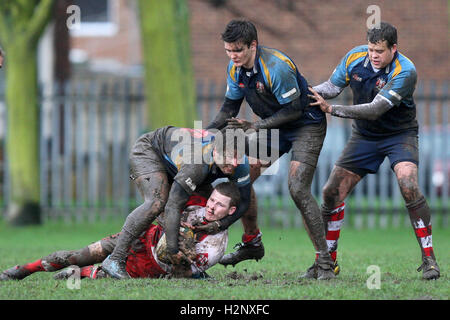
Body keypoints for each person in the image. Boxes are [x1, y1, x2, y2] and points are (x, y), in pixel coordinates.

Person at [308, 22, 440, 280]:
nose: (374, 55)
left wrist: (331, 110)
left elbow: (375, 109)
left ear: (394, 49)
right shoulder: (354, 57)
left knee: (408, 184)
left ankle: (429, 261)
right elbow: (332, 88)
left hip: (399, 135)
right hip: (365, 137)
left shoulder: (406, 71)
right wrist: (304, 92)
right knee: (331, 192)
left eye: (379, 50)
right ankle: (327, 263)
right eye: (371, 50)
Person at [205, 19, 335, 279]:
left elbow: (295, 109)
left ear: (253, 45)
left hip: (305, 126)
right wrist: (204, 135)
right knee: (240, 177)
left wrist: (257, 125)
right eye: (229, 51)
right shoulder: (235, 68)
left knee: (297, 188)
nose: (233, 56)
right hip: (271, 129)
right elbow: (229, 109)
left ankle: (324, 262)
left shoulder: (276, 67)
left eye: (238, 50)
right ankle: (252, 243)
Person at [0, 182, 241, 280]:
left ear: (230, 212)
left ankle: (80, 274)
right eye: (212, 200)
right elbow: (166, 201)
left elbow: (182, 274)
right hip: (138, 238)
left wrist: (177, 252)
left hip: (149, 267)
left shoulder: (215, 248)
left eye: (219, 205)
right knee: (76, 254)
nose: (211, 207)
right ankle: (21, 271)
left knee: (96, 276)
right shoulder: (197, 201)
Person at [101, 126, 251, 279]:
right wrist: (173, 251)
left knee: (207, 205)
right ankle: (115, 259)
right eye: (229, 156)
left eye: (238, 156)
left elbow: (245, 201)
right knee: (156, 203)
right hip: (150, 150)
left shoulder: (240, 164)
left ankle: (191, 267)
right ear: (216, 151)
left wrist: (220, 224)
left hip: (181, 161)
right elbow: (173, 205)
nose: (234, 163)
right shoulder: (197, 165)